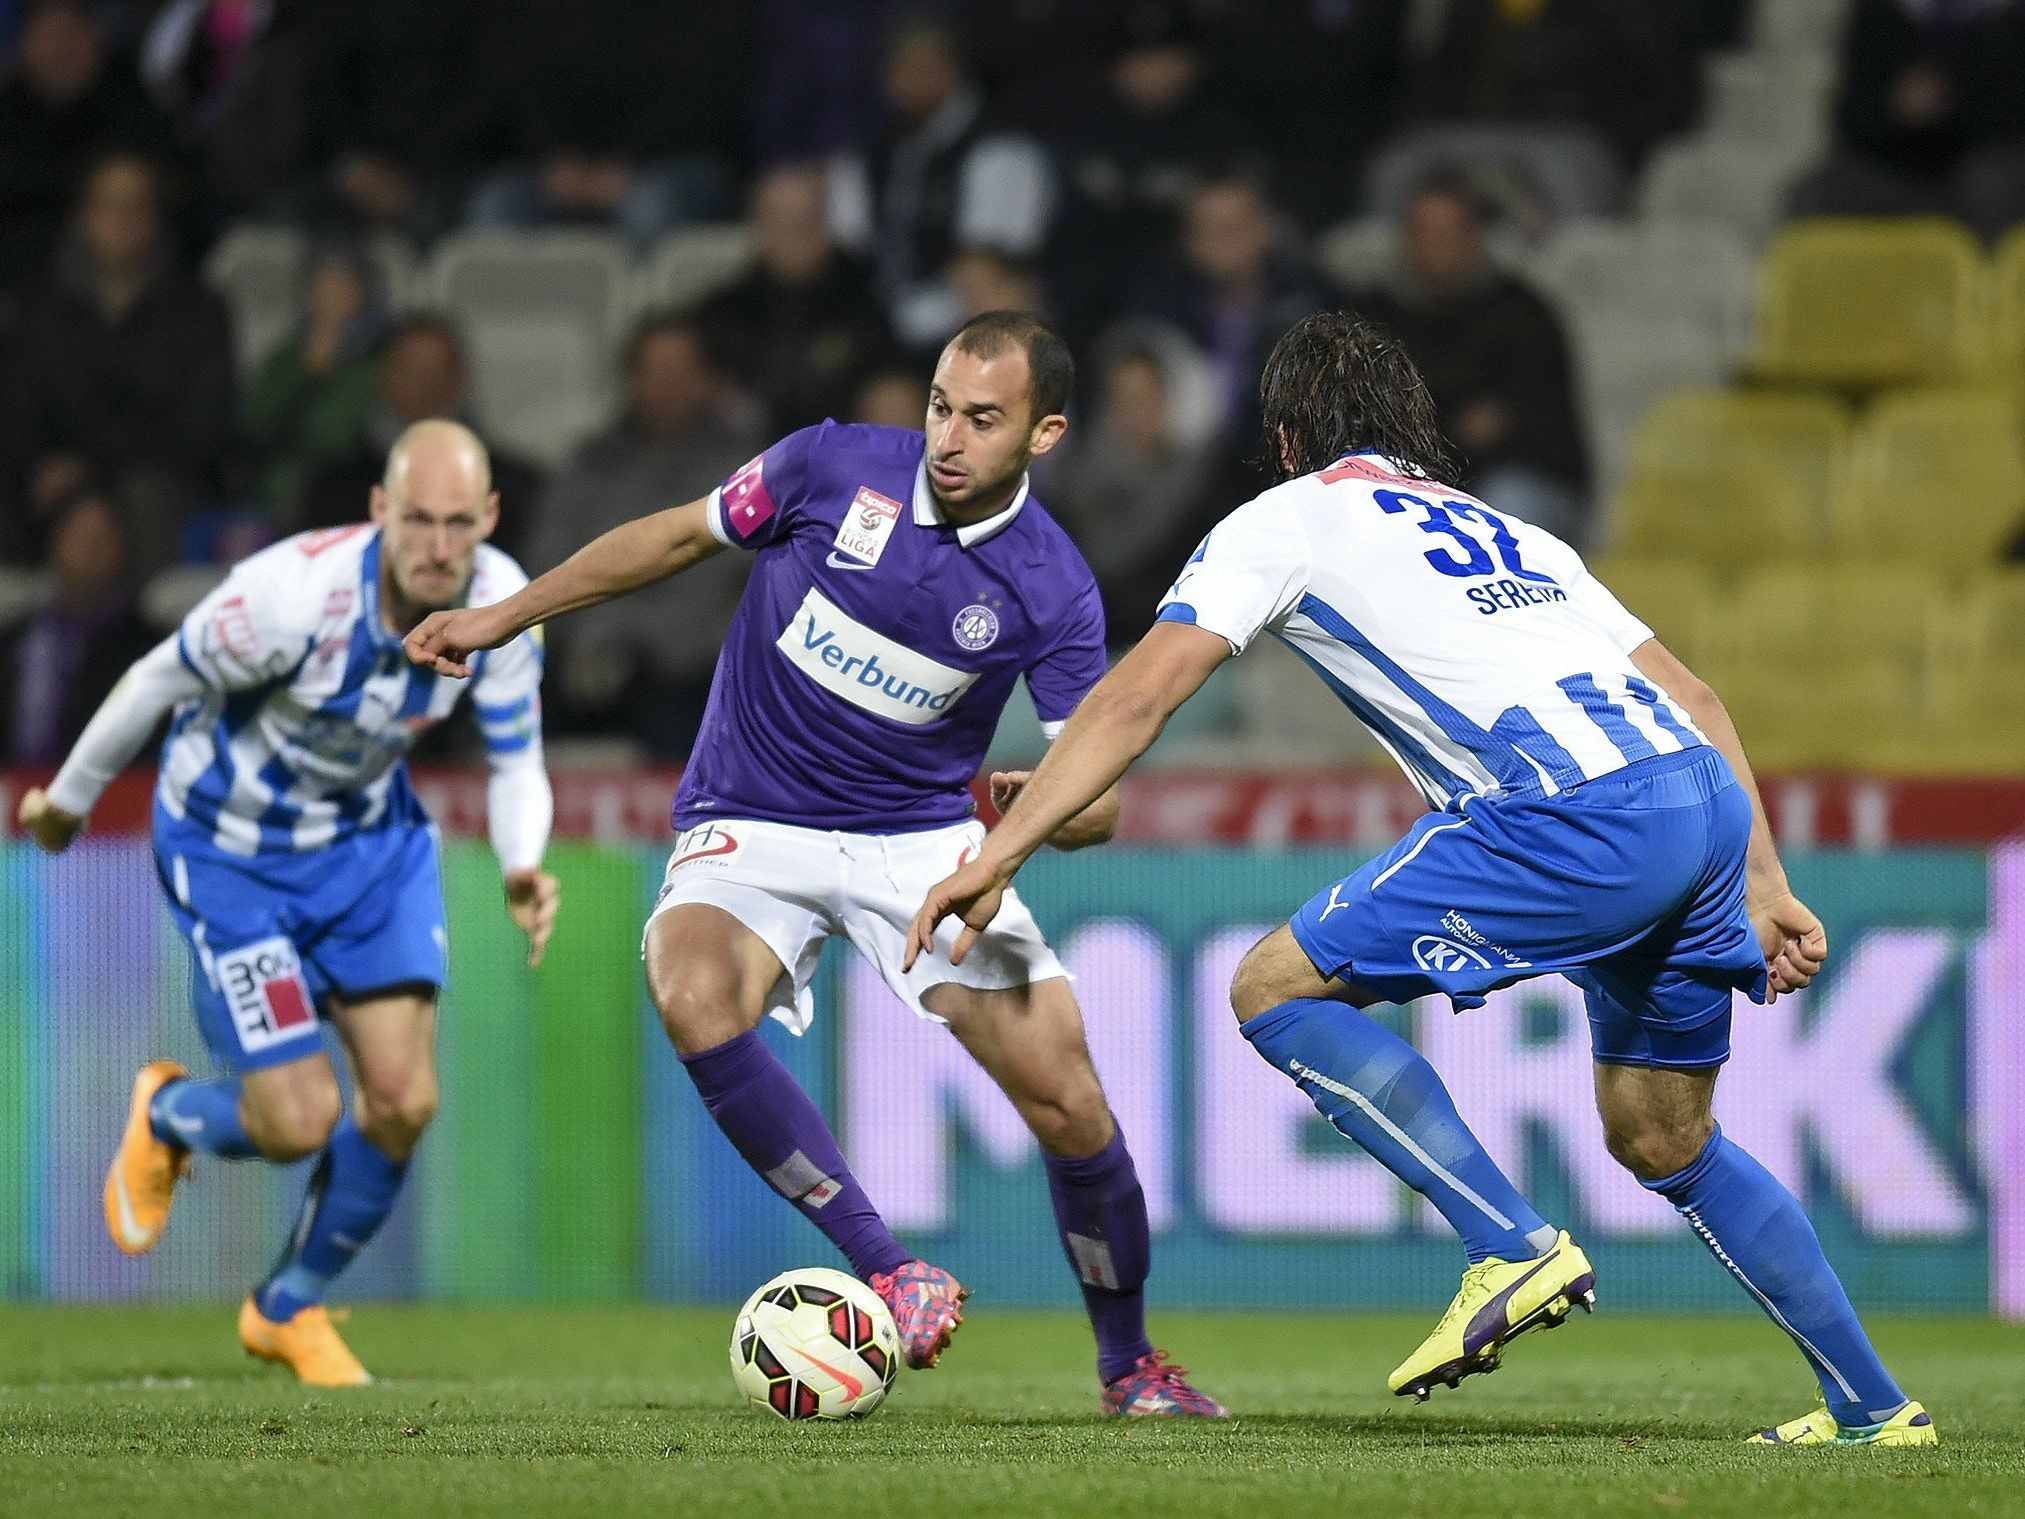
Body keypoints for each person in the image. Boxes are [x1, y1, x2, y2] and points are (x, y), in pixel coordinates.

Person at [905, 312, 1937, 1448]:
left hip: (1566, 813)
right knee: (1663, 1135)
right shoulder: (1515, 532)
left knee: (1271, 987)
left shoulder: (1282, 519)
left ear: (1287, 437)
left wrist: (1000, 852)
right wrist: (1765, 880)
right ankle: (1874, 1409)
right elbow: (1697, 697)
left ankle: (1510, 1243)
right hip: (1697, 802)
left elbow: (1140, 695)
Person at [405, 312, 1224, 1418]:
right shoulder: (830, 465)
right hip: (754, 810)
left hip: (921, 840)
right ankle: (885, 1265)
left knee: (1071, 1099)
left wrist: (1051, 808)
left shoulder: (1055, 588)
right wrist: (507, 614)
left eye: (984, 419)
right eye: (941, 405)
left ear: (1045, 434)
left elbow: (1103, 800)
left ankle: (1131, 1365)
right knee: (689, 985)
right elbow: (676, 538)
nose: (948, 435)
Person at [18, 420, 559, 1387]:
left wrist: (523, 863)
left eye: (458, 525)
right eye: (420, 521)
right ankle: (174, 1113)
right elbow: (151, 680)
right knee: (298, 1119)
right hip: (233, 857)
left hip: (367, 851)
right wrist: (68, 798)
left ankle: (287, 1306)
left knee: (402, 1101)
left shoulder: (504, 601)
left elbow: (518, 754)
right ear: (380, 512)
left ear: (489, 519)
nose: (439, 547)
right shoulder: (284, 599)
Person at [527, 315, 760, 755]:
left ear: (707, 379)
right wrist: (591, 643)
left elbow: (731, 580)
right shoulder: (588, 464)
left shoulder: (744, 468)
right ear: (630, 378)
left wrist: (638, 646)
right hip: (577, 659)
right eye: (653, 371)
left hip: (687, 673)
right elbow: (548, 566)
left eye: (681, 371)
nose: (667, 385)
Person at [0, 151, 234, 571]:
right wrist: (40, 466)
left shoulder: (198, 311)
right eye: (108, 205)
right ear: (82, 216)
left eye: (137, 205)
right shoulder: (41, 310)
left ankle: (134, 630)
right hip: (48, 488)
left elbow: (202, 428)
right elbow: (17, 409)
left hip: (151, 485)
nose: (123, 220)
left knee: (148, 495)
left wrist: (92, 469)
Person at [1350, 172, 1590, 546]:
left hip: (1515, 479)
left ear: (1475, 235)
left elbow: (1533, 429)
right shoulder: (1373, 317)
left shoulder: (1524, 314)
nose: (1434, 246)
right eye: (1422, 232)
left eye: (1447, 233)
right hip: (1405, 481)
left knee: (1501, 510)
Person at [0, 485, 156, 763]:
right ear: (54, 542)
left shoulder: (146, 650)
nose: (90, 551)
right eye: (78, 537)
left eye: (102, 538)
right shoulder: (18, 639)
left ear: (123, 547)